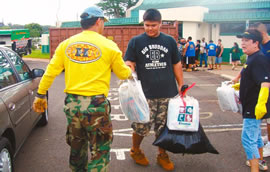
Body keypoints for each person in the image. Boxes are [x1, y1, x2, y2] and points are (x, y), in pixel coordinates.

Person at [32, 6, 132, 172]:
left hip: (73, 105)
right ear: (99, 21)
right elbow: (123, 74)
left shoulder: (66, 45)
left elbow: (50, 72)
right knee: (100, 150)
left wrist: (40, 94)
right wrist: (129, 69)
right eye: (104, 22)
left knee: (77, 147)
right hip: (96, 105)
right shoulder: (109, 46)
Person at [124, 8, 184, 171]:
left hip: (168, 93)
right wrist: (129, 69)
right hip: (145, 95)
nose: (150, 28)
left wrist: (181, 84)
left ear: (160, 24)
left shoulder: (170, 41)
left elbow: (176, 64)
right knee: (141, 126)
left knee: (164, 127)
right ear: (143, 24)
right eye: (147, 25)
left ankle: (162, 155)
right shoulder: (135, 42)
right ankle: (135, 150)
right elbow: (130, 61)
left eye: (153, 25)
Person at [236, 29, 270, 171]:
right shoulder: (252, 57)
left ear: (256, 43)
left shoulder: (258, 59)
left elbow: (265, 82)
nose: (242, 43)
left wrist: (261, 104)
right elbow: (253, 78)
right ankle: (260, 162)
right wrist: (240, 84)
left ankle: (254, 169)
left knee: (248, 140)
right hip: (250, 104)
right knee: (255, 137)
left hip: (254, 106)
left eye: (246, 40)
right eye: (242, 40)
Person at [249, 22, 270, 157]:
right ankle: (267, 139)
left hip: (267, 85)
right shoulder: (260, 45)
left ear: (262, 34)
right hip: (261, 86)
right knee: (265, 116)